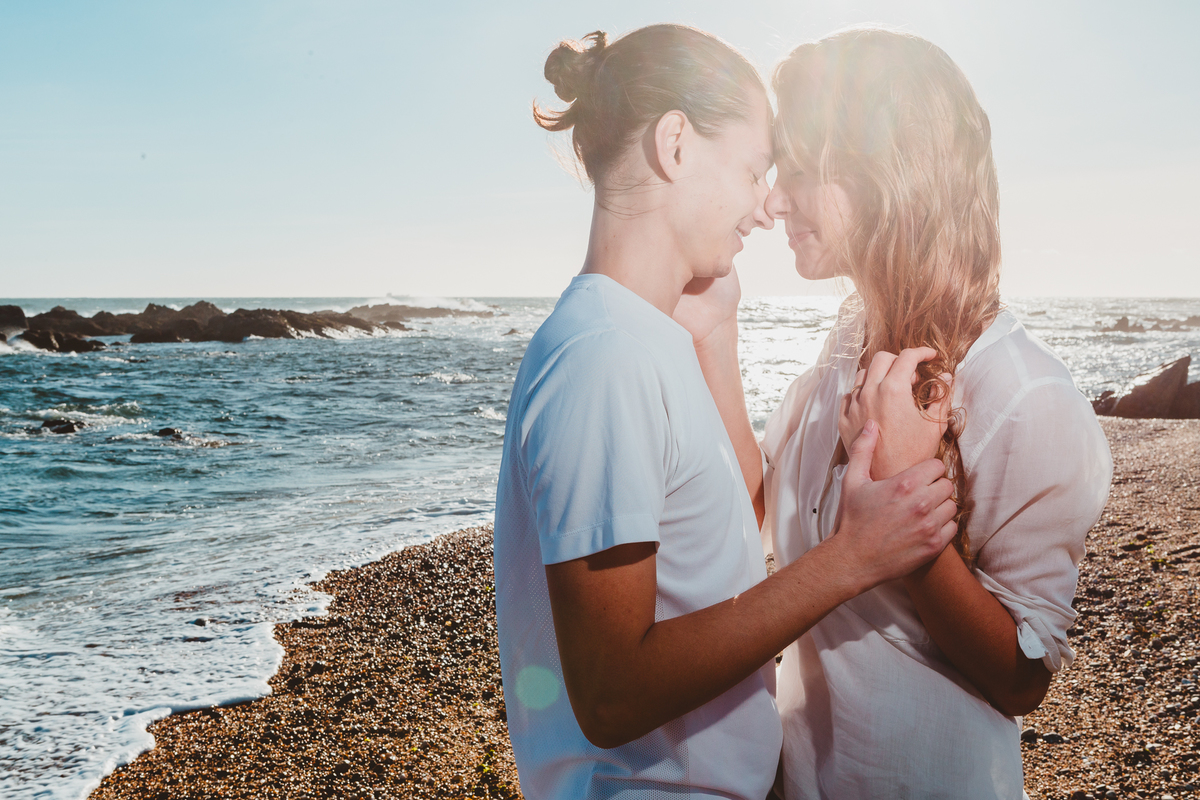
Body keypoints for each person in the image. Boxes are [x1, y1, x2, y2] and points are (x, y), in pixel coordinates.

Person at [493, 25, 961, 800]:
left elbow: (729, 535)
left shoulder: (646, 339)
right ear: (675, 143)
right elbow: (612, 692)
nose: (764, 208)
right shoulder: (607, 357)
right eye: (752, 171)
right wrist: (852, 558)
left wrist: (716, 335)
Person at [752, 29, 1113, 798]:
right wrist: (710, 324)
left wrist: (911, 505)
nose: (773, 196)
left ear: (885, 175)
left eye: (801, 167)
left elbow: (1020, 681)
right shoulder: (843, 347)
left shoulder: (1028, 397)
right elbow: (751, 509)